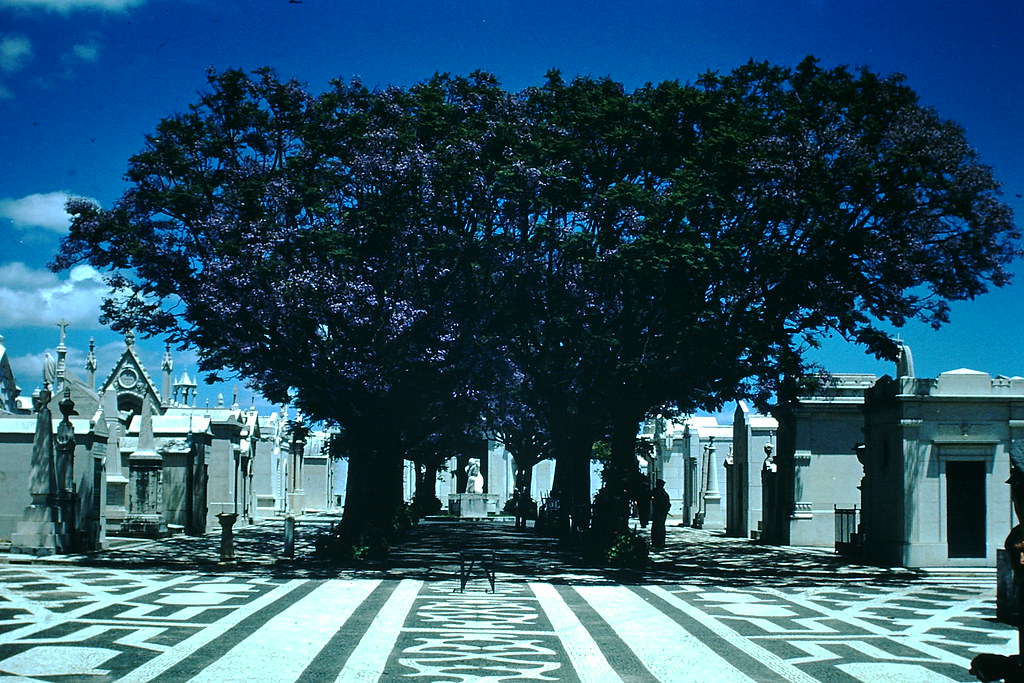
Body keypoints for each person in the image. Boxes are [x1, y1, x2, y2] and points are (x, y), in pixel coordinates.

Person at [650, 478, 670, 549]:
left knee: (659, 526)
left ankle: (659, 541)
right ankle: (657, 541)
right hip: (659, 512)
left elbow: (667, 503)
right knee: (658, 526)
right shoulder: (657, 492)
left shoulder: (663, 493)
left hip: (661, 512)